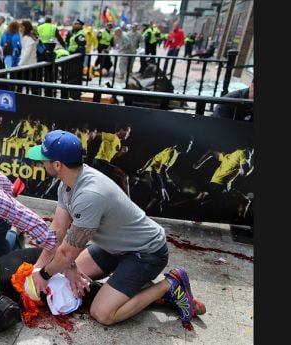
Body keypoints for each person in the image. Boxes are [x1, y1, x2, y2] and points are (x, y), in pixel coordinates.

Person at [26, 130, 204, 328]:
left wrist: (44, 276)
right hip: (115, 247)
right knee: (68, 281)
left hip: (146, 253)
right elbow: (58, 231)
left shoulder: (89, 195)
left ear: (57, 165)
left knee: (102, 313)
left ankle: (170, 284)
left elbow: (67, 251)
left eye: (44, 159)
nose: (41, 162)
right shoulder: (66, 185)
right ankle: (141, 288)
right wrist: (38, 269)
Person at [191, 147, 254, 221]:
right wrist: (252, 167)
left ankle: (193, 209)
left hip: (219, 184)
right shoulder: (245, 152)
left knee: (244, 201)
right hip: (221, 186)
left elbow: (211, 152)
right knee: (242, 201)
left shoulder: (228, 156)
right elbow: (244, 173)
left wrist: (198, 163)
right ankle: (240, 223)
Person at [134, 137, 194, 213]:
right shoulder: (172, 152)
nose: (190, 147)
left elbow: (157, 162)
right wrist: (171, 182)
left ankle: (145, 212)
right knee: (161, 197)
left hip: (154, 172)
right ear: (183, 144)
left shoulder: (174, 153)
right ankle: (147, 214)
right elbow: (161, 168)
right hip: (153, 172)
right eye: (189, 144)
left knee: (164, 198)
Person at [91, 123, 132, 196]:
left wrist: (122, 152)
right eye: (128, 132)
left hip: (103, 163)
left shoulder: (119, 143)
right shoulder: (112, 136)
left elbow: (114, 156)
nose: (128, 135)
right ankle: (128, 200)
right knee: (124, 177)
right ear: (122, 130)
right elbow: (97, 135)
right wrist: (91, 135)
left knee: (121, 178)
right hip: (100, 162)